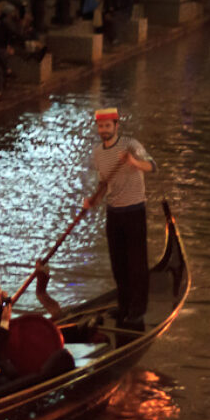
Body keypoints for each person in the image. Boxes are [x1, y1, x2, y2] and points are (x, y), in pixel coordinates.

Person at [84, 107, 157, 330]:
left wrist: (134, 163)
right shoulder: (98, 152)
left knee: (136, 263)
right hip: (113, 212)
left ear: (116, 126)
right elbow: (104, 183)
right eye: (100, 126)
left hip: (134, 210)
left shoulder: (131, 145)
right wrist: (93, 200)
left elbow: (152, 166)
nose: (104, 130)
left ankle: (138, 309)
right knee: (118, 264)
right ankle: (124, 304)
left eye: (108, 126)